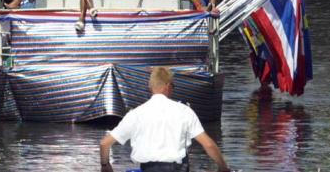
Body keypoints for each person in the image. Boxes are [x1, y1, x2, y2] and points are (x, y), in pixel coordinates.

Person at [99, 67, 231, 172]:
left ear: (151, 87)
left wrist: (105, 165)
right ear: (168, 86)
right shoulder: (184, 111)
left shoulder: (136, 114)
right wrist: (223, 167)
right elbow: (208, 144)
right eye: (173, 86)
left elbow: (105, 144)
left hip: (148, 169)